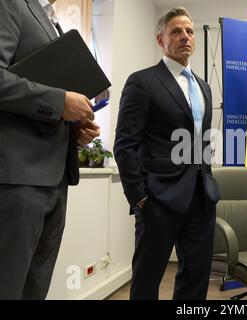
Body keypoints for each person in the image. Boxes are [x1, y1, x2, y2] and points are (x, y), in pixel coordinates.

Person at [114, 7, 220, 300]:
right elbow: (125, 144)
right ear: (160, 39)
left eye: (189, 31)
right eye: (176, 31)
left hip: (201, 198)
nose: (185, 36)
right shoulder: (143, 81)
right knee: (148, 279)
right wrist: (140, 197)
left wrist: (208, 183)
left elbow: (202, 142)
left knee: (196, 278)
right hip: (158, 199)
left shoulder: (204, 87)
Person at [0, 0, 100, 299]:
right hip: (19, 181)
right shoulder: (11, 4)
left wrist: (75, 128)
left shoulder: (52, 20)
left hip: (55, 182)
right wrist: (60, 102)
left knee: (34, 289)